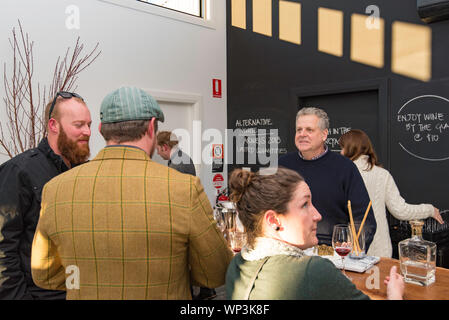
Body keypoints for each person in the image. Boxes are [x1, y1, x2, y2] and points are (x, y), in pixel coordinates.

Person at [31, 86, 233, 300]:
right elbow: (217, 271)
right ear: (151, 128)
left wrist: (89, 280)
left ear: (100, 129)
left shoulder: (56, 188)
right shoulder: (184, 188)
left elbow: (44, 273)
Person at [226, 168, 404, 300]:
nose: (318, 215)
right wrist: (395, 294)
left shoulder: (237, 264)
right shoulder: (312, 271)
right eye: (305, 205)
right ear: (273, 220)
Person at [0, 91, 91, 299]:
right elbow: (3, 250)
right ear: (53, 125)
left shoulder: (84, 174)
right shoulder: (19, 171)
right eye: (79, 125)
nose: (87, 131)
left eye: (89, 124)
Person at [278, 107, 377, 250]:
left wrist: (353, 248)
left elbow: (364, 218)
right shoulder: (281, 165)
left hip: (328, 251)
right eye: (299, 130)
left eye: (309, 130)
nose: (302, 134)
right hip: (287, 248)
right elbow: (264, 206)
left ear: (324, 135)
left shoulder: (345, 167)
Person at [338, 129, 444, 257]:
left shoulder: (341, 174)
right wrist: (430, 209)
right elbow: (400, 210)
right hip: (380, 251)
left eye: (342, 148)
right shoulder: (382, 175)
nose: (341, 152)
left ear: (351, 149)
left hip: (347, 249)